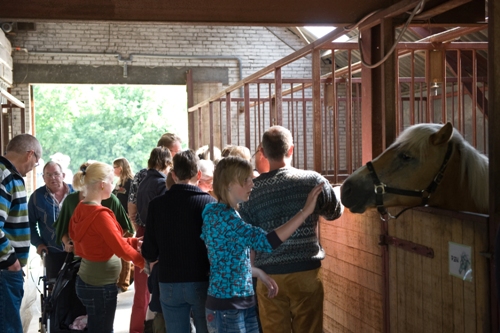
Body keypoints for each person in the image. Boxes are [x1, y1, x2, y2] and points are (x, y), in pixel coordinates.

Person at [238, 125, 343, 333]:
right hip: (306, 272)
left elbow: (247, 238)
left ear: (263, 152)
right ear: (291, 149)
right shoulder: (313, 181)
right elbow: (334, 212)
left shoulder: (252, 191)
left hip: (269, 275)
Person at [201, 156, 323, 333]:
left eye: (251, 178)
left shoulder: (221, 213)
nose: (252, 184)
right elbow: (266, 242)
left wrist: (258, 272)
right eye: (245, 180)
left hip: (236, 303)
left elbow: (226, 259)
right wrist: (304, 213)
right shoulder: (224, 218)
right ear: (228, 184)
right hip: (229, 307)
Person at [142, 149, 217, 333]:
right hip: (200, 279)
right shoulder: (209, 205)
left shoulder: (157, 205)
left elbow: (149, 251)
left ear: (173, 175)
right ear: (198, 175)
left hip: (168, 282)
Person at [68, 162, 145, 333]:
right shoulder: (100, 215)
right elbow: (120, 249)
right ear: (102, 184)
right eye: (112, 182)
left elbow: (104, 241)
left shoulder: (81, 208)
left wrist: (133, 242)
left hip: (87, 280)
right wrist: (143, 264)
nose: (114, 186)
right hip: (100, 286)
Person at [0, 133, 42, 333]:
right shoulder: (6, 176)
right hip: (4, 269)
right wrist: (11, 261)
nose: (34, 167)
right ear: (29, 154)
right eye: (36, 162)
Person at [131, 146, 173, 333]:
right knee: (156, 291)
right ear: (165, 162)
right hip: (156, 237)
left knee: (143, 293)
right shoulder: (160, 183)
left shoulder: (144, 181)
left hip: (144, 232)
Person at [53, 161, 134, 253]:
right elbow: (62, 227)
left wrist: (110, 242)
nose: (111, 186)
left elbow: (126, 228)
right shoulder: (71, 200)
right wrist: (67, 243)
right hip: (77, 257)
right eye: (110, 182)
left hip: (105, 257)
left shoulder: (111, 200)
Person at [29, 161, 74, 280]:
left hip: (77, 251)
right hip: (51, 251)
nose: (52, 178)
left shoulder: (76, 193)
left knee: (76, 288)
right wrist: (38, 244)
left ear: (63, 175)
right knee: (54, 288)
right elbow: (29, 225)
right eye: (48, 175)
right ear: (43, 178)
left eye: (56, 174)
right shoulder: (36, 197)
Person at [112, 157, 135, 292]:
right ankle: (128, 276)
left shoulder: (130, 182)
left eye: (115, 167)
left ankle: (123, 283)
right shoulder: (118, 183)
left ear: (120, 167)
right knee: (120, 250)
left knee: (124, 252)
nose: (113, 169)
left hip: (127, 221)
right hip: (118, 221)